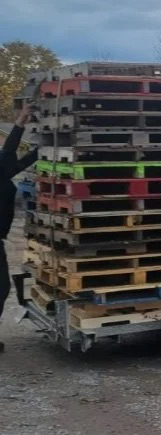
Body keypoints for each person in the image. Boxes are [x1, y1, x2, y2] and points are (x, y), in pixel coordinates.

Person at [0, 107, 36, 353]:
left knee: (2, 289)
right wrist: (19, 124)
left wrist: (43, 150)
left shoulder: (2, 171)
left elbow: (16, 162)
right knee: (1, 288)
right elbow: (9, 154)